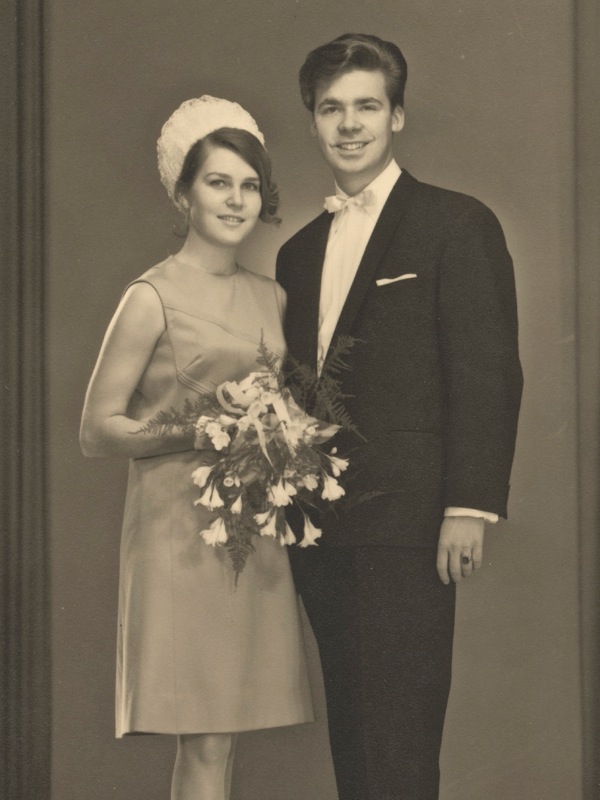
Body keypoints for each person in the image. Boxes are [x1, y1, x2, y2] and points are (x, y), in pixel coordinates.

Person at [276, 34, 523, 800]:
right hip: (318, 531)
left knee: (402, 740)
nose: (349, 124)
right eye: (332, 109)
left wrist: (468, 506)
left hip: (412, 523)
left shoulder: (455, 223)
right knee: (355, 737)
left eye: (367, 106)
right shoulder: (298, 252)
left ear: (398, 115)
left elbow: (486, 373)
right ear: (314, 121)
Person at [80, 96, 313, 800]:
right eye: (218, 182)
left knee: (226, 738)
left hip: (250, 536)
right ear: (184, 193)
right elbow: (97, 430)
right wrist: (200, 430)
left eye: (248, 184)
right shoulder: (150, 296)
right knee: (206, 738)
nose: (236, 199)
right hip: (179, 537)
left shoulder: (271, 297)